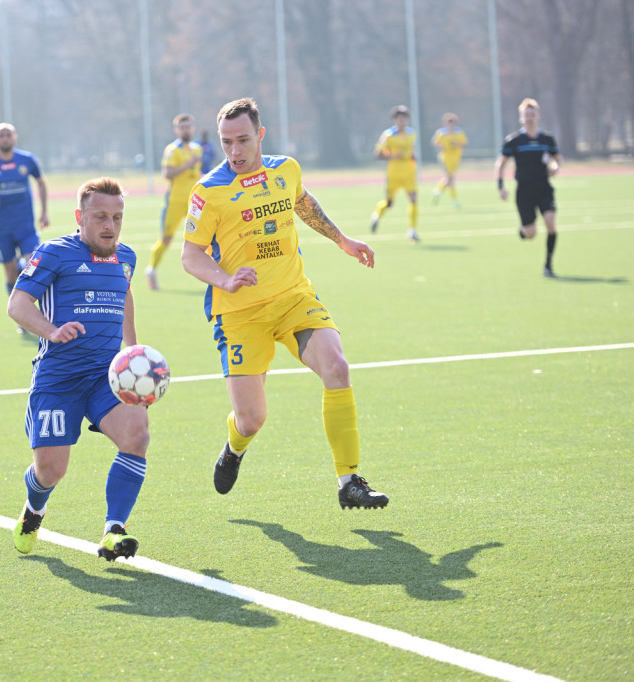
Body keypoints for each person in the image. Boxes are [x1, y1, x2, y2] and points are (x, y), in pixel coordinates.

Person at [180, 97, 389, 510]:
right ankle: (234, 448)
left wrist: (343, 240)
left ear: (260, 135)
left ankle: (349, 481)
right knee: (251, 419)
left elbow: (304, 204)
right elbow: (191, 255)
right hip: (239, 314)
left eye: (242, 140)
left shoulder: (285, 169)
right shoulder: (209, 192)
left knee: (337, 367)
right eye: (226, 143)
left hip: (293, 297)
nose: (235, 152)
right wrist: (225, 279)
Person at [7, 177, 151, 561]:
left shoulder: (127, 258)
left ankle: (113, 531)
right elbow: (18, 306)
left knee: (136, 435)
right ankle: (35, 507)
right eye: (100, 216)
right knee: (51, 470)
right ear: (79, 216)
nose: (110, 226)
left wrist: (132, 351)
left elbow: (125, 294)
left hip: (105, 376)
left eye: (117, 217)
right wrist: (52, 331)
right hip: (59, 380)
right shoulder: (54, 253)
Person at [0, 123, 50, 313]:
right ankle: (19, 314)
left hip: (25, 226)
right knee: (10, 276)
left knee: (34, 267)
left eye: (8, 135)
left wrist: (44, 212)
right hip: (2, 228)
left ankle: (36, 313)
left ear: (14, 137)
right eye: (1, 135)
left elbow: (41, 183)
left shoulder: (26, 159)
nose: (5, 138)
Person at [495, 98, 563, 278]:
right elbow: (501, 163)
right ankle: (524, 230)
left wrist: (556, 167)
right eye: (526, 115)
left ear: (538, 116)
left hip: (544, 188)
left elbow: (557, 159)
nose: (529, 118)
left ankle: (548, 265)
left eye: (532, 114)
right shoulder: (514, 140)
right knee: (530, 233)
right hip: (524, 191)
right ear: (521, 118)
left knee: (550, 223)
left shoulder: (546, 139)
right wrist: (500, 186)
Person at [146, 113, 202, 291]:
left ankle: (213, 275)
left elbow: (196, 173)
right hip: (175, 202)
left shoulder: (197, 148)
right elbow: (167, 174)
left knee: (205, 237)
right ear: (177, 130)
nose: (186, 130)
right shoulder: (172, 150)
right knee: (166, 239)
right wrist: (188, 164)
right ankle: (152, 269)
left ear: (193, 128)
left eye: (188, 126)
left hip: (194, 201)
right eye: (182, 127)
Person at [370, 105, 420, 243]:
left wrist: (413, 157)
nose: (401, 121)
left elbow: (411, 150)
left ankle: (412, 231)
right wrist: (392, 156)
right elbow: (378, 153)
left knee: (414, 199)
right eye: (399, 118)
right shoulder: (388, 135)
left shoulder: (412, 134)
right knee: (389, 203)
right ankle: (377, 215)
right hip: (394, 173)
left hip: (409, 172)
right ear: (394, 120)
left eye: (404, 118)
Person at [431, 113, 468, 208]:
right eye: (448, 122)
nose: (450, 124)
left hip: (455, 158)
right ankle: (455, 200)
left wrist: (457, 144)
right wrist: (441, 147)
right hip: (445, 158)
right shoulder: (441, 133)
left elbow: (465, 144)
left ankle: (439, 190)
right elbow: (435, 143)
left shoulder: (459, 133)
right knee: (450, 179)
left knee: (449, 179)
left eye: (452, 122)